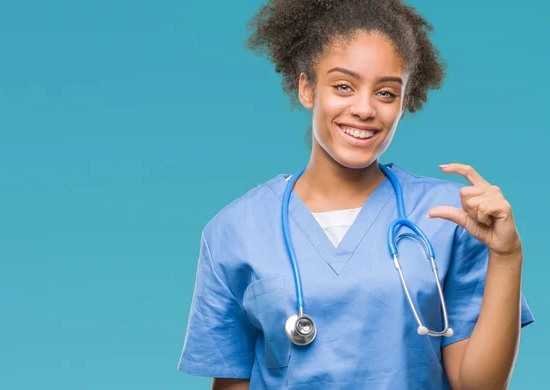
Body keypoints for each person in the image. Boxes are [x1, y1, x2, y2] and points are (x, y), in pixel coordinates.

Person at [177, 0, 535, 388]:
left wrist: (507, 256)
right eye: (343, 86)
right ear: (307, 88)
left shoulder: (450, 219)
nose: (365, 109)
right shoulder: (235, 230)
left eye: (385, 93)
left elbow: (478, 386)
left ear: (404, 103)